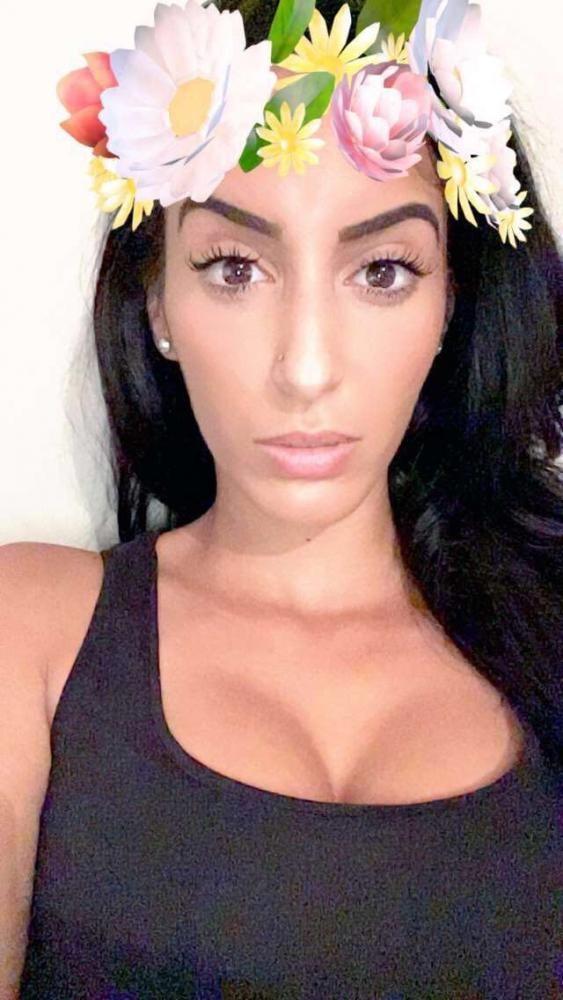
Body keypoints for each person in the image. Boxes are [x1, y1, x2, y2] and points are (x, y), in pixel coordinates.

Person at [1, 0, 561, 996]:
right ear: (157, 301)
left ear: (450, 304)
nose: (305, 367)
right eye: (234, 268)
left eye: (382, 270)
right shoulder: (32, 635)